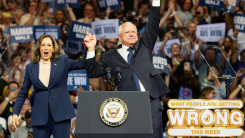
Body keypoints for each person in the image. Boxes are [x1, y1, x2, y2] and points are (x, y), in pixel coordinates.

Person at [84, 0, 169, 138]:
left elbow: (153, 23)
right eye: (127, 32)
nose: (132, 34)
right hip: (128, 102)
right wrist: (91, 49)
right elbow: (92, 72)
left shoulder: (144, 45)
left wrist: (156, 2)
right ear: (119, 36)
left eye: (134, 31)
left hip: (151, 99)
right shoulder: (109, 56)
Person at [12, 34, 87, 138]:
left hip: (61, 115)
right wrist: (15, 113)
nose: (46, 47)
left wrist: (89, 47)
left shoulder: (62, 61)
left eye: (49, 45)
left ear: (53, 48)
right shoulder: (30, 67)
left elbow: (82, 64)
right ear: (39, 48)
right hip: (40, 117)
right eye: (43, 45)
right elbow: (23, 92)